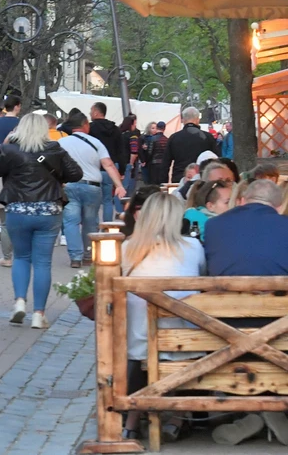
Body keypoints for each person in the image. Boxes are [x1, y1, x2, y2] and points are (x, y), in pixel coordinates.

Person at [202, 179, 288, 445]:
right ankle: (267, 411)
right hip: (280, 330)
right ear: (278, 206)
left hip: (225, 331)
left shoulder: (214, 225)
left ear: (242, 200)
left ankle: (256, 413)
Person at [120, 192, 205, 443]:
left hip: (141, 341)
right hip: (187, 341)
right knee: (180, 334)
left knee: (147, 341)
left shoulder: (127, 248)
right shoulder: (193, 246)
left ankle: (132, 424)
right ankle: (179, 418)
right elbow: (202, 277)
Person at [0, 113, 82, 329]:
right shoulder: (55, 149)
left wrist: (4, 144)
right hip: (48, 211)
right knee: (42, 262)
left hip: (18, 210)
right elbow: (76, 174)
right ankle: (39, 313)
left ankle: (20, 301)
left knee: (21, 257)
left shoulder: (10, 150)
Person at [58, 111, 127, 267]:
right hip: (92, 187)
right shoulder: (96, 143)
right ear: (85, 125)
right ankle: (89, 255)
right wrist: (119, 186)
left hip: (69, 186)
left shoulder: (61, 143)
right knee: (90, 222)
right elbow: (108, 164)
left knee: (71, 222)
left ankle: (75, 257)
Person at [89, 103, 124, 220]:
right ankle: (107, 225)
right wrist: (121, 170)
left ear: (95, 112)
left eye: (91, 111)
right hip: (111, 169)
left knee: (94, 202)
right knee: (108, 200)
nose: (89, 113)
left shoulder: (90, 128)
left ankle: (94, 227)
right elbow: (121, 151)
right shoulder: (115, 129)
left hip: (94, 169)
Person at [165, 107, 219, 183]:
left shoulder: (174, 137)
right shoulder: (208, 137)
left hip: (180, 178)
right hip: (202, 179)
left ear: (183, 120)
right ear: (197, 119)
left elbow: (165, 163)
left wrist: (163, 183)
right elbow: (216, 160)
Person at [119, 114, 140, 199]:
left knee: (120, 188)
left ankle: (118, 208)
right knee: (128, 189)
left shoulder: (119, 134)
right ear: (131, 124)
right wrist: (131, 164)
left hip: (119, 164)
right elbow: (134, 151)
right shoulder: (133, 136)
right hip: (128, 163)